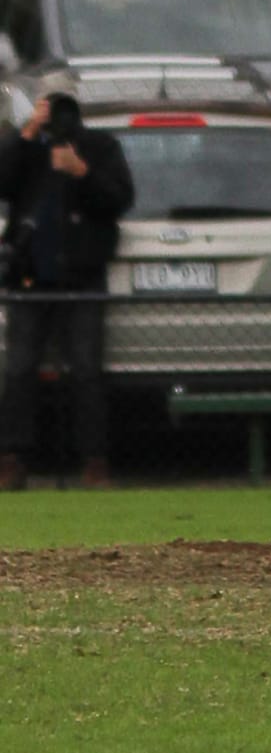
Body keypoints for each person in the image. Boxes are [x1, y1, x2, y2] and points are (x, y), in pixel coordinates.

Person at [0, 75, 136, 490]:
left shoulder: (100, 147)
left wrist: (82, 173)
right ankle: (11, 460)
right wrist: (26, 135)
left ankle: (94, 462)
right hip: (31, 276)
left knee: (86, 372)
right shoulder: (28, 149)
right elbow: (4, 185)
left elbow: (118, 200)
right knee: (20, 369)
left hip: (81, 276)